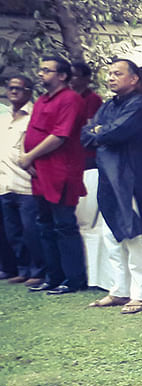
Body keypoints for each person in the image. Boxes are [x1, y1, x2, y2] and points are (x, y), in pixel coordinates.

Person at [81, 59, 142, 314]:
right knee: (110, 235)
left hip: (131, 178)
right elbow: (85, 134)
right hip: (108, 176)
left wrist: (100, 132)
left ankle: (141, 293)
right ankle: (119, 290)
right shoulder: (108, 106)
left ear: (134, 79)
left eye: (118, 73)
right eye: (110, 73)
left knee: (133, 234)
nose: (111, 78)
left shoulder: (139, 105)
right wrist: (100, 131)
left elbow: (112, 134)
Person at [19, 57, 87, 295]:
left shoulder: (70, 99)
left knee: (64, 225)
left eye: (47, 70)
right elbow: (30, 133)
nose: (41, 74)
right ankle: (53, 276)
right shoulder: (41, 100)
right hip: (39, 172)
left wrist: (29, 157)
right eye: (41, 69)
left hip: (61, 172)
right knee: (44, 224)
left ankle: (73, 279)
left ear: (63, 76)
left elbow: (60, 136)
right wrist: (26, 157)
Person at [0, 75, 45, 286]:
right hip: (4, 183)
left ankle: (38, 271)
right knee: (13, 232)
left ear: (28, 92)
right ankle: (22, 269)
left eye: (19, 88)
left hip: (26, 182)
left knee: (31, 230)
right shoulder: (3, 118)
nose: (14, 92)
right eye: (11, 88)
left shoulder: (34, 116)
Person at [69, 61, 102, 171]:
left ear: (86, 79)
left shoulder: (93, 99)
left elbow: (91, 125)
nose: (71, 78)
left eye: (75, 76)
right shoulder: (67, 97)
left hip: (87, 153)